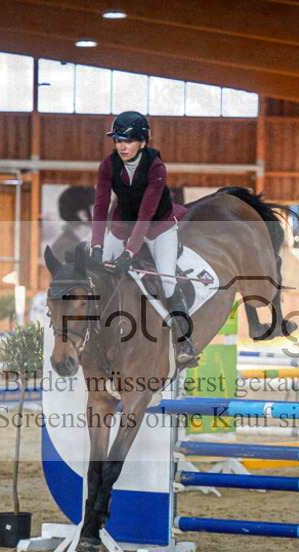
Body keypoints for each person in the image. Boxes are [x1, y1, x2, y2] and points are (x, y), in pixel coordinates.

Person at [89, 110, 198, 366]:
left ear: (143, 142)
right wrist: (97, 244)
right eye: (117, 140)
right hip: (122, 225)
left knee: (168, 281)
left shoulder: (156, 166)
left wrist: (129, 253)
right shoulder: (108, 164)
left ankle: (184, 341)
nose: (121, 146)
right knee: (98, 275)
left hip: (158, 229)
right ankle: (91, 335)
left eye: (127, 141)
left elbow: (146, 214)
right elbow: (101, 204)